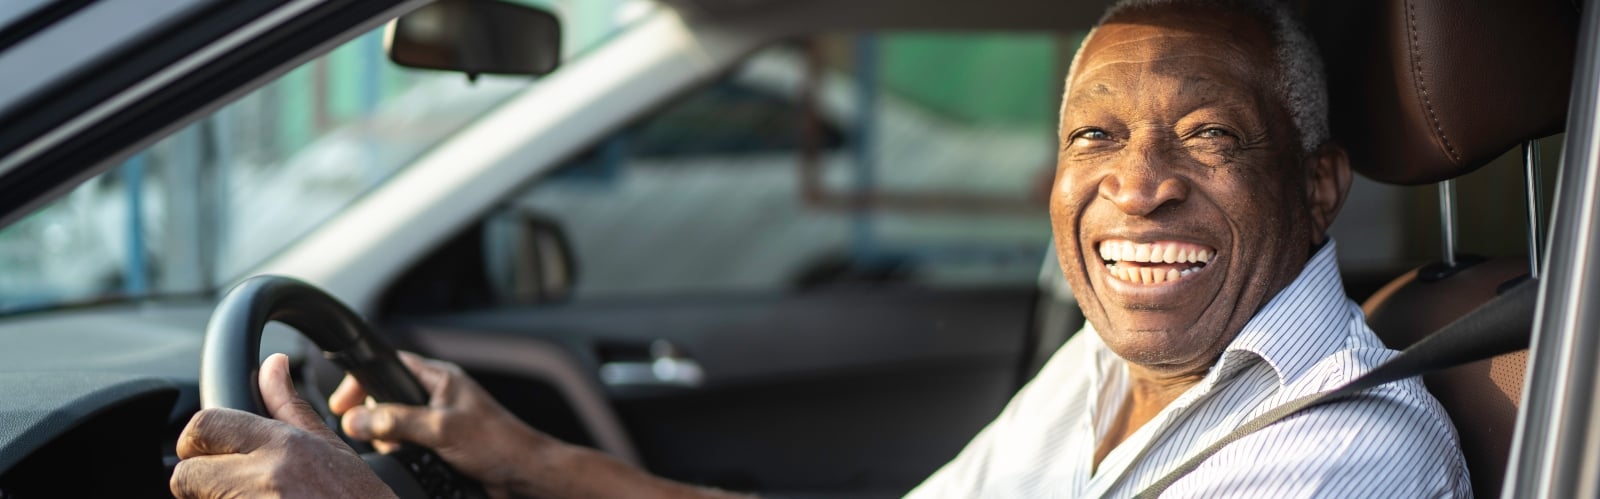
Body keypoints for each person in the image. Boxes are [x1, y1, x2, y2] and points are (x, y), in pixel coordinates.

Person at [169, 0, 1471, 497]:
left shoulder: (1336, 454)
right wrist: (513, 452)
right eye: (1095, 137)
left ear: (1318, 188)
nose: (1139, 187)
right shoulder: (1107, 377)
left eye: (1207, 139)